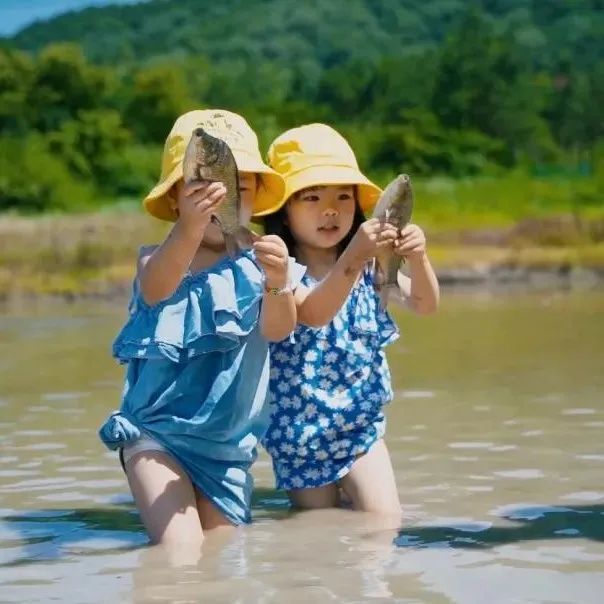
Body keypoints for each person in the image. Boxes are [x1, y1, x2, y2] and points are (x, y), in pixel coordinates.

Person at [98, 109, 306, 545]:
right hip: (157, 435)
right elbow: (156, 289)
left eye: (236, 187)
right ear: (176, 197)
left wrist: (276, 283)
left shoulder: (266, 260)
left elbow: (278, 329)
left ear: (255, 197)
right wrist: (189, 229)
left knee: (223, 557)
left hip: (228, 449)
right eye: (201, 187)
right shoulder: (159, 258)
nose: (217, 198)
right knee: (181, 549)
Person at [261, 123, 440, 517]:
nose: (331, 210)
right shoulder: (281, 273)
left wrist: (418, 258)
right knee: (318, 531)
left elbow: (425, 304)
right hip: (299, 436)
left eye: (343, 196)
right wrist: (354, 255)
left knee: (383, 521)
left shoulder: (373, 268)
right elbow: (312, 313)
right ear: (284, 214)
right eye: (311, 197)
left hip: (360, 429)